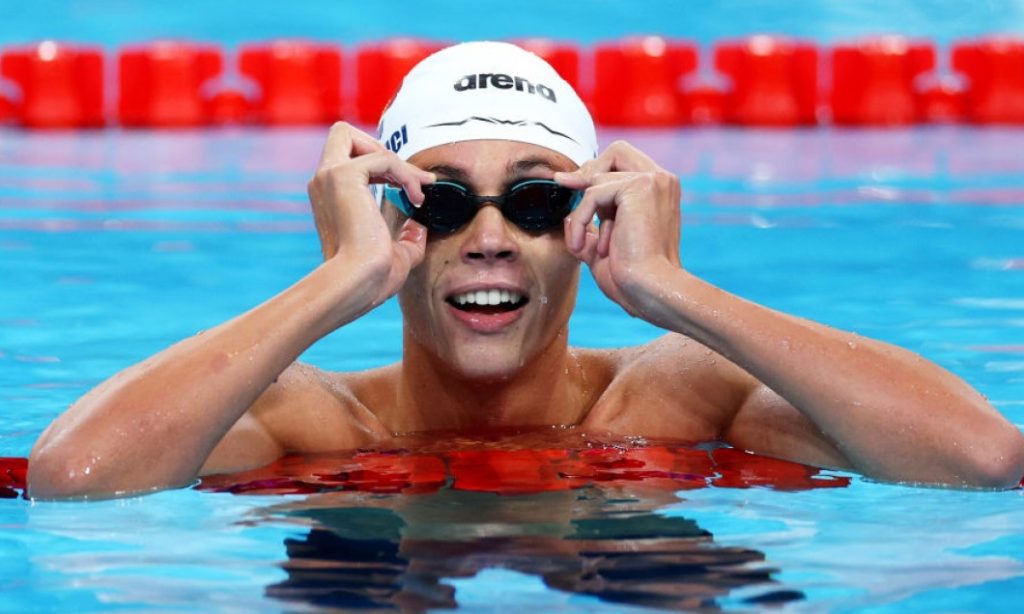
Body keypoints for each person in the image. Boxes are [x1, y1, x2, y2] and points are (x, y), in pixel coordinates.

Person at [27, 41, 1024, 499]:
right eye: (442, 202)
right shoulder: (304, 417)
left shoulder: (680, 390)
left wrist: (678, 292)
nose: (492, 236)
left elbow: (983, 461)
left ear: (591, 220)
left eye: (538, 200)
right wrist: (330, 283)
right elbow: (73, 482)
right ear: (387, 223)